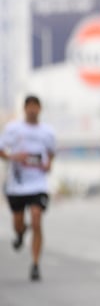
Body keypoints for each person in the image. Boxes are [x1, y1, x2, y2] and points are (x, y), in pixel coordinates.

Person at [0, 95, 56, 281]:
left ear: (40, 109)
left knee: (36, 217)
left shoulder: (48, 132)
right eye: (29, 106)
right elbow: (2, 150)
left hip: (38, 184)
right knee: (18, 223)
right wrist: (15, 157)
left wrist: (49, 165)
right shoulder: (13, 129)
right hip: (17, 185)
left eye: (35, 106)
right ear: (25, 109)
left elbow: (51, 153)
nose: (32, 110)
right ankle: (20, 232)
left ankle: (35, 264)